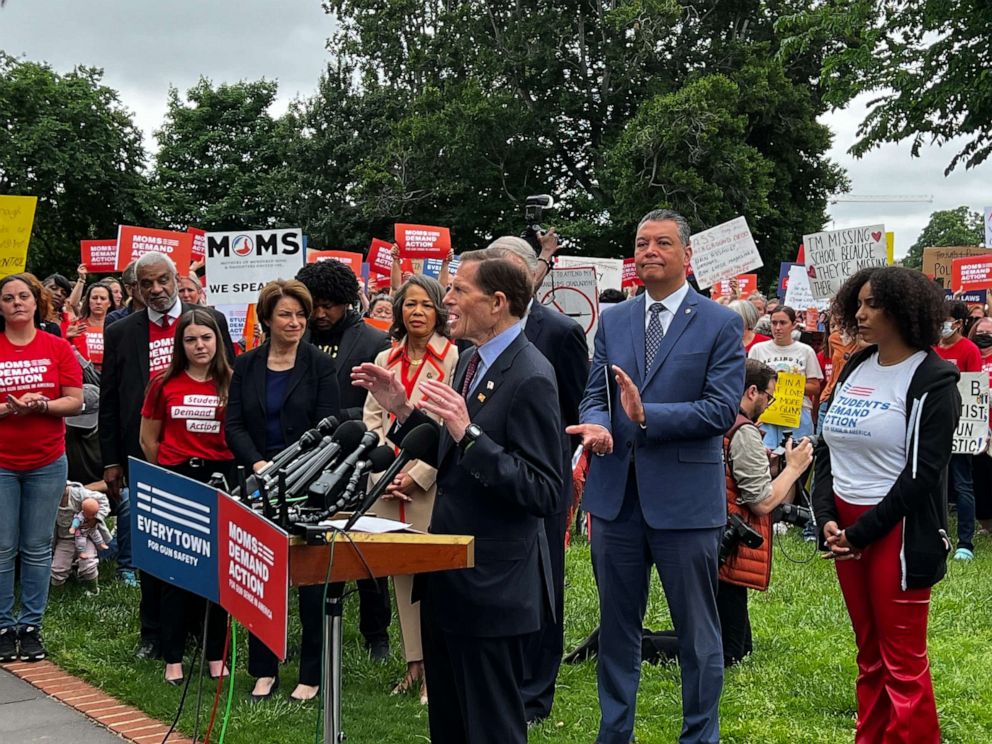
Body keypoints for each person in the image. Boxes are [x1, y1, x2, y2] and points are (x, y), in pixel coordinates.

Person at [352, 248, 563, 744]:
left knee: (491, 728)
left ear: (496, 302)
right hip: (449, 577)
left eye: (457, 290)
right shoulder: (470, 359)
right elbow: (451, 446)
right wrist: (402, 410)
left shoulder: (531, 374)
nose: (446, 299)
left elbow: (544, 490)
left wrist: (469, 434)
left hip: (493, 585)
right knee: (449, 724)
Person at [567, 209, 744, 744]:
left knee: (697, 633)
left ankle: (699, 735)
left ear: (686, 256)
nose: (649, 251)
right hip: (616, 500)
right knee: (618, 630)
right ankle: (614, 732)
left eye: (662, 243)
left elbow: (720, 410)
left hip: (686, 504)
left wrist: (649, 417)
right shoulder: (614, 319)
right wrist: (598, 426)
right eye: (642, 242)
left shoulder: (719, 322)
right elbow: (596, 395)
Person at [815, 266, 959, 744]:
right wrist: (828, 519)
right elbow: (826, 445)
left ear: (904, 310)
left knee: (902, 662)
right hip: (846, 525)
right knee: (868, 653)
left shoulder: (934, 379)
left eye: (872, 303)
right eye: (857, 302)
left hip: (896, 532)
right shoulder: (857, 363)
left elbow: (921, 477)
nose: (860, 313)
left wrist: (859, 533)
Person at [100, 252, 234, 659]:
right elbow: (109, 399)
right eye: (146, 284)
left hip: (207, 458)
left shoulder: (208, 320)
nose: (156, 290)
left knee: (202, 547)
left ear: (176, 278)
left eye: (162, 280)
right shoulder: (122, 331)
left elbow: (229, 380)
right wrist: (111, 461)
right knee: (154, 547)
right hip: (147, 456)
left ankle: (196, 631)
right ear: (135, 288)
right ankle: (153, 632)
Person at [487, 236, 589, 723]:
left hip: (541, 476)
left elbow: (575, 405)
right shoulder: (478, 335)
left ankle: (535, 694)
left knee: (543, 582)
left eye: (503, 270)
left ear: (531, 275)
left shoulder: (560, 331)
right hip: (489, 478)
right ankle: (503, 678)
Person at [225, 279, 340, 703]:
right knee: (261, 576)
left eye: (301, 315)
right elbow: (233, 425)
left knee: (309, 580)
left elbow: (328, 427)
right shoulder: (248, 364)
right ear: (267, 320)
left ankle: (311, 673)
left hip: (307, 482)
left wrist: (292, 468)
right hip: (258, 479)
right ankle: (264, 669)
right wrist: (259, 464)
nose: (295, 322)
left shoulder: (319, 365)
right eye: (285, 315)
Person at [362, 275, 458, 704]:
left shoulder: (455, 357)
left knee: (431, 575)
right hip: (388, 484)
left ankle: (437, 668)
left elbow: (446, 423)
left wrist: (418, 473)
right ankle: (412, 664)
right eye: (409, 304)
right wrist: (386, 473)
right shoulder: (385, 355)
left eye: (425, 304)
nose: (416, 312)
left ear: (439, 310)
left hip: (427, 483)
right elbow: (371, 420)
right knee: (400, 575)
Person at [295, 259, 393, 658]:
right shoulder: (296, 338)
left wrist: (339, 421)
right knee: (312, 551)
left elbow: (380, 407)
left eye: (329, 305)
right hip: (307, 460)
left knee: (365, 548)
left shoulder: (373, 341)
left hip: (356, 457)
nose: (320, 314)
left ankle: (377, 635)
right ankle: (315, 636)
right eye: (314, 305)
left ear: (347, 301)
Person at [140, 309, 234, 685]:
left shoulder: (232, 381)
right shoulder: (163, 383)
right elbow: (149, 438)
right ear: (180, 344)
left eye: (206, 338)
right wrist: (169, 472)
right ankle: (173, 657)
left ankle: (215, 655)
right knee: (175, 571)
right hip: (176, 478)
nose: (200, 346)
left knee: (216, 573)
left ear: (218, 341)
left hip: (220, 479)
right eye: (191, 339)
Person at [0, 274, 84, 662]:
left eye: (23, 296)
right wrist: (6, 409)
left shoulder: (57, 347)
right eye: (7, 298)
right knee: (3, 548)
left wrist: (41, 405)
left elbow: (76, 401)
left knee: (36, 547)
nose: (17, 303)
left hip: (47, 461)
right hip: (2, 462)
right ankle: (3, 625)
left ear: (37, 302)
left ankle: (31, 626)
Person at [718, 360, 812, 665]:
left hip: (718, 538)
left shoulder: (723, 419)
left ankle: (633, 639)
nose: (769, 404)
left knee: (738, 645)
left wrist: (768, 465)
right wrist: (794, 468)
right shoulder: (743, 431)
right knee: (728, 651)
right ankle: (637, 643)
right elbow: (761, 501)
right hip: (730, 544)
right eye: (768, 396)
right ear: (752, 391)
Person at [933, 299, 981, 560]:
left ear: (959, 323)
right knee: (932, 483)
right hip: (935, 427)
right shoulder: (931, 348)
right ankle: (936, 533)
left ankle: (965, 542)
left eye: (946, 319)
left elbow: (974, 389)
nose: (942, 325)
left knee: (962, 484)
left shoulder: (970, 350)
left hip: (961, 429)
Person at [748, 305, 822, 448]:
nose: (778, 328)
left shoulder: (806, 351)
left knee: (796, 456)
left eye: (783, 323)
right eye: (774, 323)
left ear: (793, 325)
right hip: (766, 414)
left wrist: (786, 384)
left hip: (795, 414)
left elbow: (815, 387)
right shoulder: (758, 349)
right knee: (765, 458)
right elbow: (750, 385)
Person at [968, 317, 992, 534]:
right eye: (981, 332)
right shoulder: (970, 355)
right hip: (976, 428)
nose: (984, 336)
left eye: (989, 332)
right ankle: (986, 523)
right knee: (980, 477)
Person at [65, 281, 116, 372]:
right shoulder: (77, 325)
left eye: (103, 298)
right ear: (88, 301)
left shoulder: (117, 327)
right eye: (94, 298)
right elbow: (72, 304)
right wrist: (67, 337)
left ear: (110, 303)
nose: (98, 302)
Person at [105, 262, 142, 327]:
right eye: (144, 283)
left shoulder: (164, 317)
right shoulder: (115, 319)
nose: (155, 289)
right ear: (129, 289)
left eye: (162, 281)